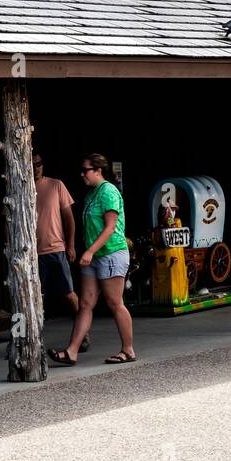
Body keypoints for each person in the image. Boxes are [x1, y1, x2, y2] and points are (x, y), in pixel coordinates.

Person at [50, 154, 134, 366]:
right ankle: (72, 351)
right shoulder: (90, 195)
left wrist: (89, 251)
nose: (82, 174)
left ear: (98, 171)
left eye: (86, 170)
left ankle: (128, 350)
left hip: (111, 252)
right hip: (95, 255)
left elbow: (110, 228)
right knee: (86, 303)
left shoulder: (108, 192)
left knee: (115, 302)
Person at [34, 153, 80, 329]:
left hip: (56, 248)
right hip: (32, 254)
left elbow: (69, 217)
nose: (35, 168)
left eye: (38, 164)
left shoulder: (56, 185)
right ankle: (31, 336)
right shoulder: (20, 189)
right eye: (31, 165)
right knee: (34, 297)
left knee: (69, 293)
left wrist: (71, 245)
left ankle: (82, 332)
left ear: (43, 165)